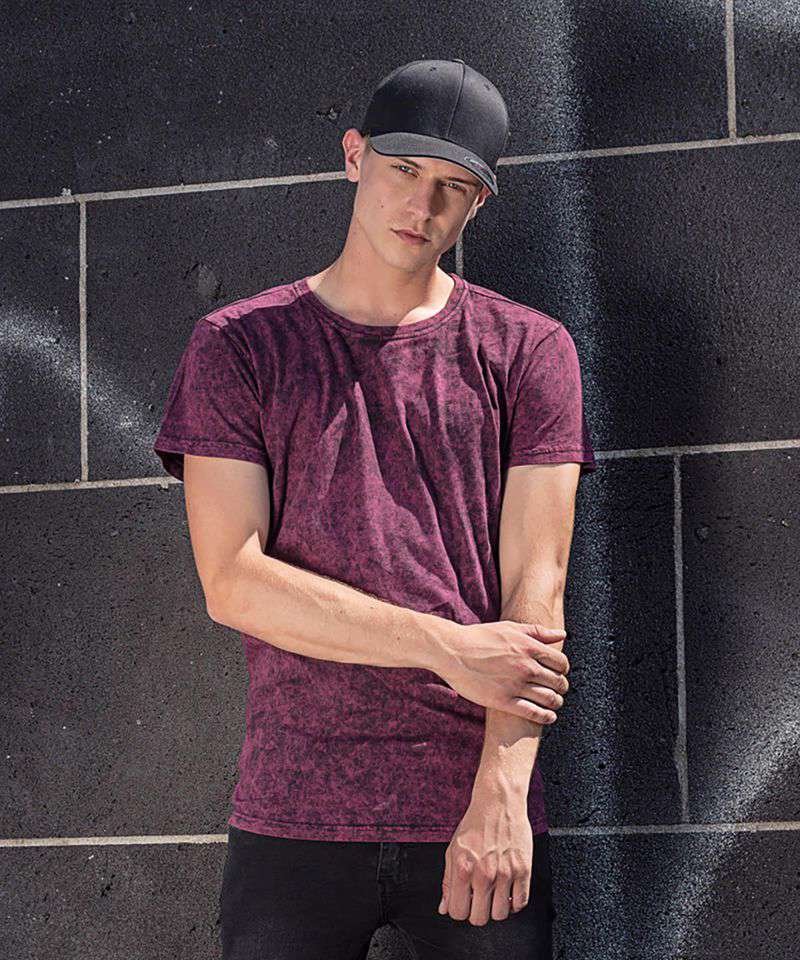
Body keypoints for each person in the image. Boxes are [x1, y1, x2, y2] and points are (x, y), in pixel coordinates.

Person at [153, 57, 597, 960]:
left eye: (452, 186)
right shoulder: (239, 347)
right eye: (403, 169)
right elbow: (233, 583)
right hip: (293, 813)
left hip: (474, 815)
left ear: (478, 202)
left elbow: (536, 590)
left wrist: (503, 793)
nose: (421, 205)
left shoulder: (529, 350)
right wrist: (446, 647)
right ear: (354, 156)